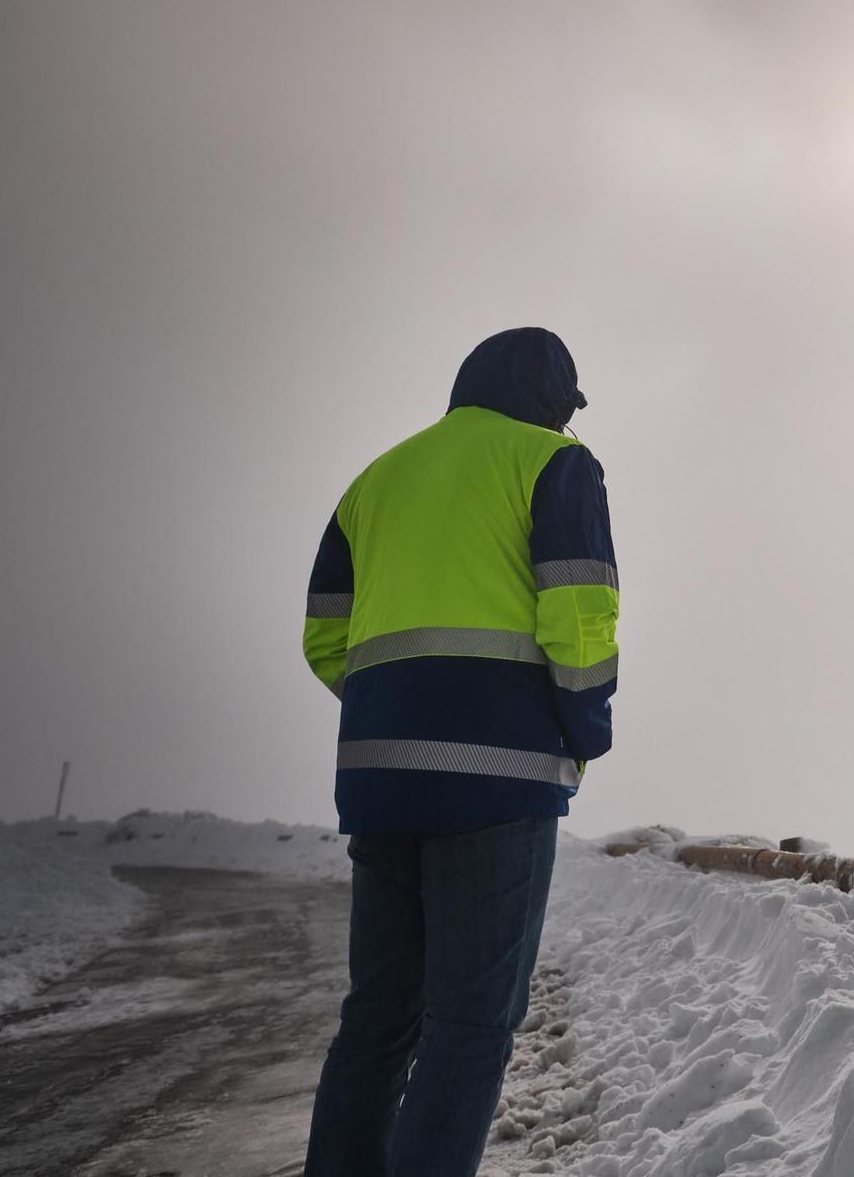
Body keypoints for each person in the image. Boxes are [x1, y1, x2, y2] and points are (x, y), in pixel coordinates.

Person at [299, 327, 618, 1176]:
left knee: (376, 1022)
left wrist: (394, 714)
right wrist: (582, 734)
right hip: (498, 782)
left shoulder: (377, 478)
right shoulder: (554, 465)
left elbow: (325, 633)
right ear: (553, 402)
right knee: (470, 1029)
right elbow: (580, 616)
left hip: (381, 781)